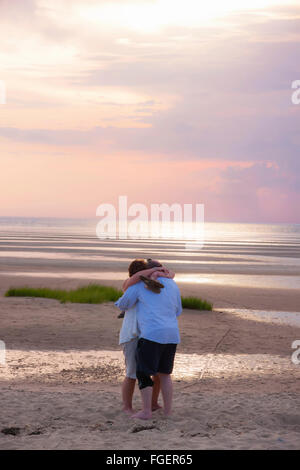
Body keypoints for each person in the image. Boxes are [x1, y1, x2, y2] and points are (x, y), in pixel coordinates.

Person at [115, 269, 182, 420]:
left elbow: (122, 304)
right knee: (164, 374)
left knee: (143, 373)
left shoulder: (139, 285)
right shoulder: (172, 284)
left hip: (151, 334)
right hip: (171, 334)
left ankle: (147, 410)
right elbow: (178, 310)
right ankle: (167, 411)